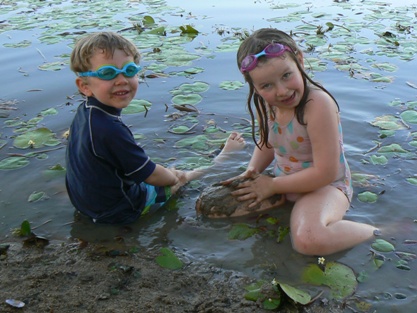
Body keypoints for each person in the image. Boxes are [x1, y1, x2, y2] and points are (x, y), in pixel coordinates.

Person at [225, 28, 379, 256]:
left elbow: (326, 173)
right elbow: (268, 143)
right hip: (284, 183)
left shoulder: (317, 104)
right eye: (266, 86)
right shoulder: (268, 104)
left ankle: (380, 232)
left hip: (324, 187)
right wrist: (252, 171)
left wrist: (272, 185)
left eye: (286, 75)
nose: (281, 91)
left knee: (308, 240)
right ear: (254, 87)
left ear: (299, 59)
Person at [66, 31, 245, 225]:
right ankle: (221, 159)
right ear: (84, 86)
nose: (121, 80)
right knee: (178, 179)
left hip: (86, 205)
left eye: (129, 70)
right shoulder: (109, 129)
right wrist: (173, 177)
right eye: (107, 73)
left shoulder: (86, 113)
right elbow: (151, 175)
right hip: (118, 212)